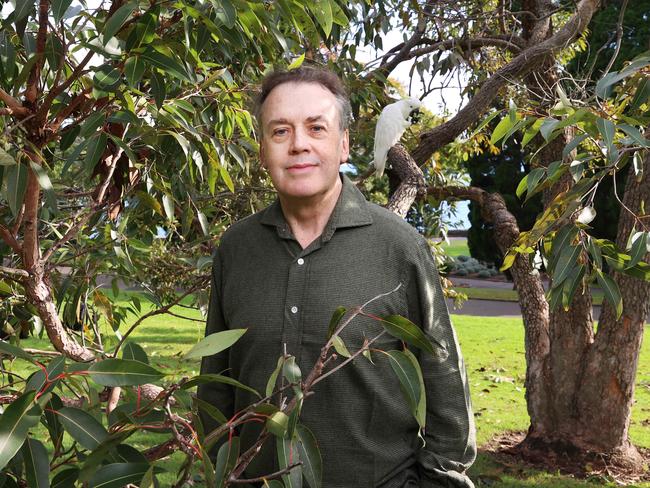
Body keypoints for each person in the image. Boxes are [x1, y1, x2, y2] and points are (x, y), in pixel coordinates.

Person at [198, 66, 476, 488]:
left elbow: (445, 384)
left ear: (343, 144)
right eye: (279, 132)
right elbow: (216, 387)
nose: (298, 145)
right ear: (261, 150)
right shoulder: (236, 249)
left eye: (316, 127)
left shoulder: (399, 247)